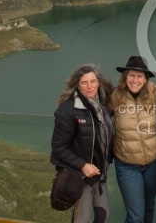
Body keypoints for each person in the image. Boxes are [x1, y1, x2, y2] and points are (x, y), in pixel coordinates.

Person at [50, 64, 115, 223]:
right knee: (82, 219)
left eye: (93, 81)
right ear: (77, 85)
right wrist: (82, 165)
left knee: (103, 215)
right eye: (84, 82)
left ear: (98, 82)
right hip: (80, 175)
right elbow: (58, 148)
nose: (90, 86)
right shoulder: (67, 110)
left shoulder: (102, 105)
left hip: (99, 173)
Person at [110, 56, 156, 223]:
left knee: (149, 207)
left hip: (153, 164)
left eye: (140, 76)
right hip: (127, 166)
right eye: (131, 75)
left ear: (146, 79)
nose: (135, 80)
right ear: (125, 77)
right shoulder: (114, 96)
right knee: (136, 216)